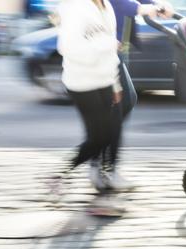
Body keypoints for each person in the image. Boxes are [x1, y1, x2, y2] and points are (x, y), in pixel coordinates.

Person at [54, 0, 172, 191]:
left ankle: (101, 165)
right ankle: (101, 168)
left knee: (117, 113)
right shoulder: (78, 7)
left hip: (111, 56)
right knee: (108, 122)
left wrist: (154, 5)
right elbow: (119, 4)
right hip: (91, 64)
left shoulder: (104, 8)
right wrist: (146, 9)